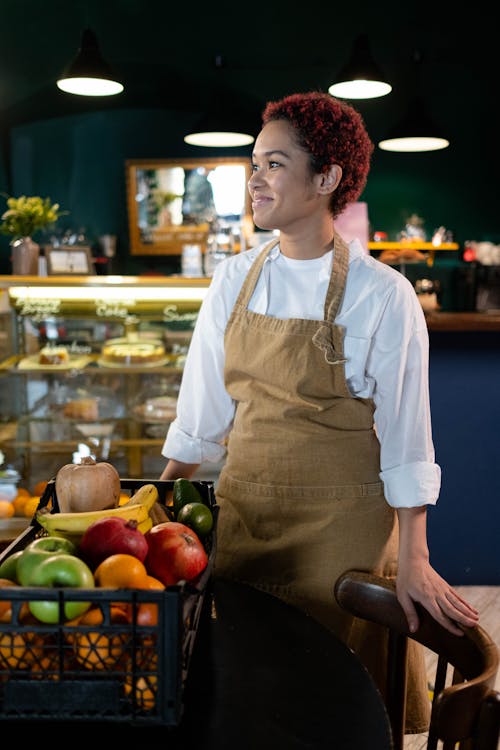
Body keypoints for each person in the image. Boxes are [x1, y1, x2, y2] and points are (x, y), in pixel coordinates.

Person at [160, 91, 479, 733]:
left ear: (327, 178)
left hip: (343, 539)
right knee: (250, 700)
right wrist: (151, 508)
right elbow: (201, 415)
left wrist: (412, 558)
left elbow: (408, 445)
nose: (255, 179)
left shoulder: (383, 296)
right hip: (248, 522)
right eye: (255, 163)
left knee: (333, 708)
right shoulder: (233, 279)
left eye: (274, 164)